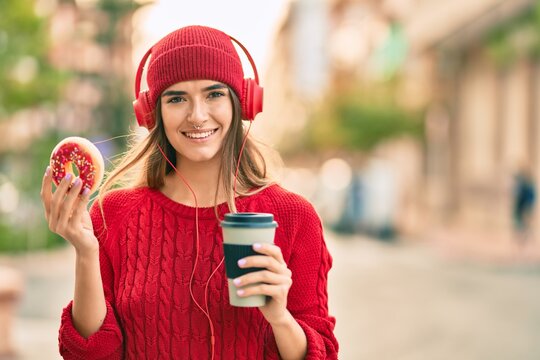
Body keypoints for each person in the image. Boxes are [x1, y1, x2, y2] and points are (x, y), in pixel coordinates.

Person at [40, 25, 338, 359]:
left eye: (214, 94)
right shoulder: (115, 213)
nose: (197, 116)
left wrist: (280, 317)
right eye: (177, 98)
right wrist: (85, 253)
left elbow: (322, 352)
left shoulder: (293, 216)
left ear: (242, 102)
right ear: (152, 113)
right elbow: (89, 355)